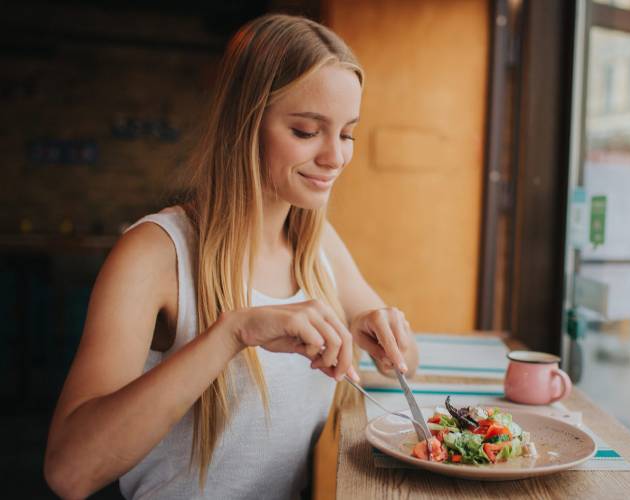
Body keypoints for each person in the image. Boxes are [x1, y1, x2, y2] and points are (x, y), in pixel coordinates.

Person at [43, 14, 419, 500]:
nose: (336, 157)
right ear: (244, 124)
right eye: (307, 131)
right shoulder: (156, 252)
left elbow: (404, 360)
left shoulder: (317, 244)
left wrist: (383, 330)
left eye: (346, 133)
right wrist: (233, 333)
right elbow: (70, 472)